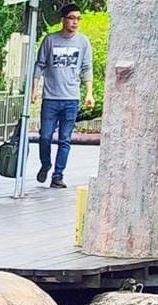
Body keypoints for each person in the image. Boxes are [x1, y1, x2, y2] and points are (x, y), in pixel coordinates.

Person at [32, 3, 95, 190]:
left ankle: (58, 175)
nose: (75, 22)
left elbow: (87, 68)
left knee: (65, 139)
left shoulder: (83, 42)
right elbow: (39, 65)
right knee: (44, 136)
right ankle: (46, 163)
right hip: (50, 98)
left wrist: (89, 93)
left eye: (78, 18)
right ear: (63, 20)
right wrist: (34, 90)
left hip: (71, 99)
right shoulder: (50, 40)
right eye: (72, 18)